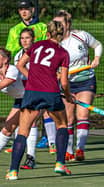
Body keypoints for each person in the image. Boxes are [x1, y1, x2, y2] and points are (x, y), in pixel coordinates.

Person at [6, 20, 74, 180]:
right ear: (62, 35)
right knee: (62, 125)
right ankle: (60, 164)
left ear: (47, 34)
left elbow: (20, 65)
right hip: (51, 93)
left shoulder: (35, 46)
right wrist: (68, 95)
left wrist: (33, 78)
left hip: (32, 93)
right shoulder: (63, 53)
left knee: (23, 131)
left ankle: (13, 171)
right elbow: (64, 82)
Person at [5, 0, 56, 154]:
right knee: (25, 109)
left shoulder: (41, 27)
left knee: (47, 109)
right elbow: (10, 50)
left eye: (26, 9)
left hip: (42, 70)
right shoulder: (15, 30)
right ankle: (20, 142)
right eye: (21, 9)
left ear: (33, 10)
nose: (24, 12)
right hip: (23, 71)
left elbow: (47, 47)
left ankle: (51, 142)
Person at [53, 10, 103, 162]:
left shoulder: (81, 35)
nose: (57, 27)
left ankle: (80, 149)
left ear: (67, 24)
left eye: (60, 23)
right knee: (67, 118)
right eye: (55, 23)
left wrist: (96, 58)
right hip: (65, 83)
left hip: (86, 80)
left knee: (83, 114)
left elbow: (98, 45)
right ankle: (68, 151)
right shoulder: (54, 43)